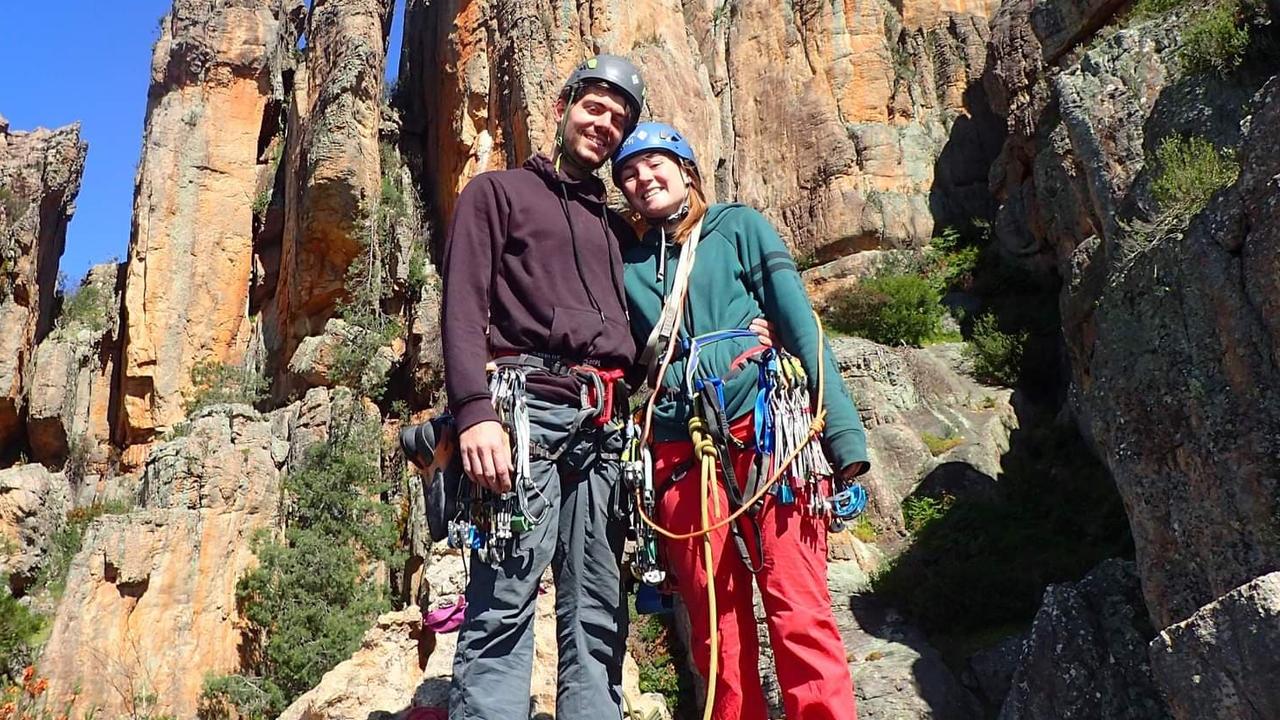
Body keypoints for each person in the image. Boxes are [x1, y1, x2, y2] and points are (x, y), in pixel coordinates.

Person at [613, 122, 870, 720]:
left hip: (768, 435)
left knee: (798, 608)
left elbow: (800, 322)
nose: (642, 179)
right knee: (715, 629)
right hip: (681, 450)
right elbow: (616, 356)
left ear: (686, 170)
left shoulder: (739, 228)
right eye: (628, 173)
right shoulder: (626, 266)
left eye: (655, 164)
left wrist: (842, 435)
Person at [439, 54, 646, 720]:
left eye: (618, 119)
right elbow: (463, 306)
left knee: (598, 608)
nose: (603, 124)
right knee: (505, 597)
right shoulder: (496, 194)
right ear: (561, 110)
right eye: (593, 108)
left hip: (606, 431)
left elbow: (652, 325)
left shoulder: (619, 231)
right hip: (525, 417)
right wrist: (474, 412)